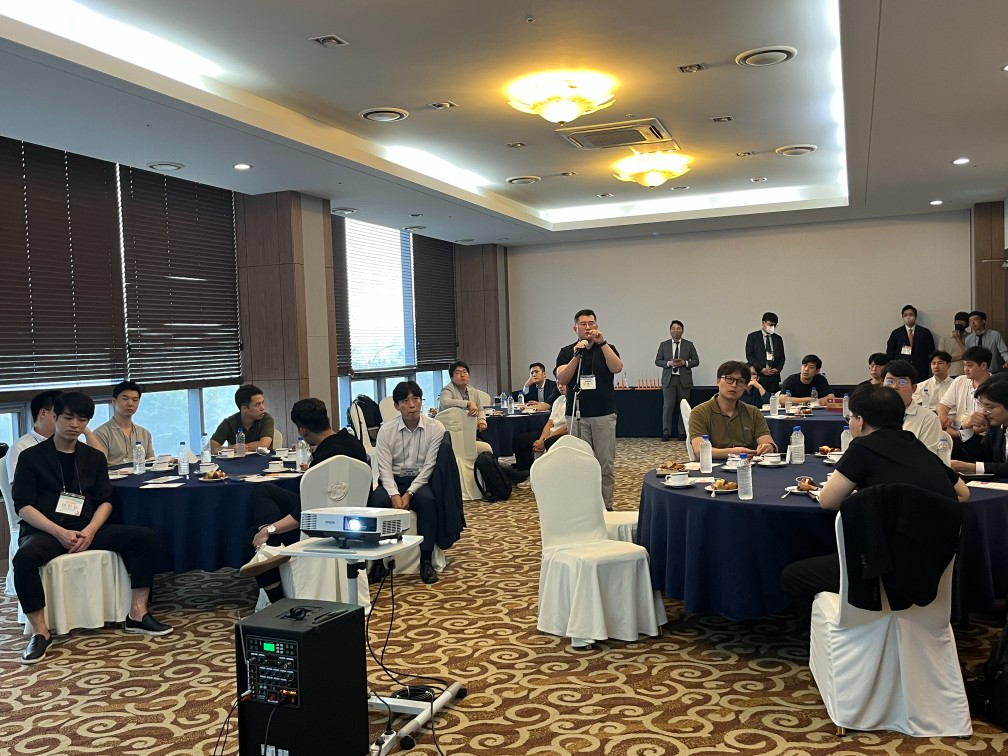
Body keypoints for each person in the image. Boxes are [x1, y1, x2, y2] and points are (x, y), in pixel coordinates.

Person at [11, 392, 172, 664]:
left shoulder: (93, 457)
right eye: (68, 417)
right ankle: (40, 632)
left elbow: (106, 500)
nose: (75, 424)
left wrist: (91, 530)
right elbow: (23, 506)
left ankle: (137, 613)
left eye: (82, 419)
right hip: (46, 530)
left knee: (144, 538)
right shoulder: (31, 457)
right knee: (24, 559)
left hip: (86, 528)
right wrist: (59, 532)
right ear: (55, 417)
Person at [780, 385, 968, 606]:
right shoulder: (916, 445)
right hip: (932, 563)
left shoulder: (863, 447)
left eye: (850, 417)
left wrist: (875, 500)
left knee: (793, 575)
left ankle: (845, 623)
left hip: (881, 567)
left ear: (860, 421)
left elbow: (827, 501)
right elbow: (963, 493)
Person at [239, 398, 368, 601]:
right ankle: (269, 543)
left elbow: (306, 512)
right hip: (353, 517)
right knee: (265, 490)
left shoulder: (324, 459)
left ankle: (277, 599)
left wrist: (270, 530)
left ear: (303, 430)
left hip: (323, 524)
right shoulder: (352, 442)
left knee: (253, 536)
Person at [369, 381, 446, 584]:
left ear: (421, 401)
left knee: (428, 502)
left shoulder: (435, 427)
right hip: (392, 480)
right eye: (405, 401)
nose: (412, 405)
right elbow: (384, 468)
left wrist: (410, 493)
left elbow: (429, 466)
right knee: (376, 502)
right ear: (396, 406)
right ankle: (379, 560)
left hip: (420, 481)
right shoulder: (386, 430)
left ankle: (426, 560)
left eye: (416, 399)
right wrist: (394, 494)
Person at [555, 309, 623, 510]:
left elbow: (617, 367)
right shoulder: (566, 351)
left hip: (603, 414)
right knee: (579, 463)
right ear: (575, 328)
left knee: (605, 463)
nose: (587, 327)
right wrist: (577, 355)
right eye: (583, 324)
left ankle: (605, 506)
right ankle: (582, 507)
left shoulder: (607, 347)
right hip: (576, 415)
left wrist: (603, 343)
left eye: (591, 323)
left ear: (597, 326)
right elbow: (562, 378)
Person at [688, 360, 776, 460]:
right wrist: (734, 453)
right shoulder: (699, 412)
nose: (734, 385)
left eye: (741, 381)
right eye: (729, 379)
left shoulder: (753, 412)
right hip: (714, 466)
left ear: (745, 386)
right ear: (718, 381)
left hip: (747, 465)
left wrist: (768, 447)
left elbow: (767, 442)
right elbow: (699, 451)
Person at [938, 346, 992, 460]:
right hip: (956, 431)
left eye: (969, 365)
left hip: (980, 436)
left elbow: (989, 424)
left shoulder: (995, 386)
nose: (966, 369)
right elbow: (943, 405)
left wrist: (959, 433)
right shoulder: (960, 380)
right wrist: (942, 416)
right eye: (964, 365)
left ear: (983, 365)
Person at [85, 380, 156, 464]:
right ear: (114, 401)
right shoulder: (101, 434)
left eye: (135, 400)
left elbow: (151, 462)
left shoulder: (145, 433)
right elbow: (100, 466)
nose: (130, 404)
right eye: (125, 399)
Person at [951, 375, 1008, 477]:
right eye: (982, 406)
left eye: (990, 407)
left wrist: (972, 468)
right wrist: (966, 429)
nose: (984, 412)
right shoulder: (996, 426)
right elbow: (983, 457)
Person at [882, 360, 943, 452]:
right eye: (890, 381)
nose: (894, 386)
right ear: (882, 386)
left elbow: (928, 456)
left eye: (902, 382)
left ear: (914, 388)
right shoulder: (872, 414)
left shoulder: (928, 418)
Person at [654, 320, 700, 441]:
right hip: (669, 380)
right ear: (670, 330)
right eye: (673, 328)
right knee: (668, 407)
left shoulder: (689, 345)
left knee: (683, 406)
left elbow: (696, 361)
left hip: (684, 379)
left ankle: (682, 432)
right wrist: (668, 363)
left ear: (682, 331)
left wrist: (685, 362)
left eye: (678, 328)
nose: (676, 330)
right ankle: (666, 432)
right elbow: (657, 361)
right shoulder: (664, 345)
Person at [511, 379, 568, 471]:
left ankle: (545, 472)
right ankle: (526, 472)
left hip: (564, 433)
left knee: (548, 442)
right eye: (558, 383)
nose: (560, 386)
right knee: (520, 439)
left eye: (563, 383)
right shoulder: (558, 400)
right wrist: (542, 439)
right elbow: (549, 423)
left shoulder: (575, 402)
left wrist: (545, 440)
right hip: (552, 431)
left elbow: (567, 427)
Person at [6, 390, 61, 483]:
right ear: (43, 413)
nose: (68, 420)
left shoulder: (68, 442)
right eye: (62, 414)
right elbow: (20, 487)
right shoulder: (20, 448)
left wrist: (85, 433)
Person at [210, 384, 275, 453]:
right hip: (237, 459)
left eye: (262, 403)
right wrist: (229, 449)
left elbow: (264, 444)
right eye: (257, 405)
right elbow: (212, 447)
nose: (262, 408)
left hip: (262, 459)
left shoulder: (266, 419)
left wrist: (240, 448)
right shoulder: (229, 423)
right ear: (244, 409)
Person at [885, 304, 936, 381]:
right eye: (905, 315)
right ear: (902, 317)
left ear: (915, 316)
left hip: (921, 371)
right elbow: (890, 353)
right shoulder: (896, 333)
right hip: (901, 371)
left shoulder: (925, 332)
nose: (908, 317)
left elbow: (931, 351)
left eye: (911, 314)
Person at [439, 360, 489, 433]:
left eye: (465, 372)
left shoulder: (473, 391)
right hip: (451, 430)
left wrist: (482, 420)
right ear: (451, 378)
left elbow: (480, 409)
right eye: (458, 373)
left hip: (469, 429)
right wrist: (468, 403)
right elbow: (445, 402)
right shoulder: (448, 389)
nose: (462, 375)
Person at [745, 312, 785, 393]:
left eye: (774, 325)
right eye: (770, 325)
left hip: (774, 378)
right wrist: (761, 369)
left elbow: (782, 357)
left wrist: (777, 369)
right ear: (763, 323)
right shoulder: (752, 337)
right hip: (759, 376)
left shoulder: (778, 339)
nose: (772, 327)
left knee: (772, 398)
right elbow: (750, 356)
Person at [938, 311, 970, 377]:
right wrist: (962, 357)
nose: (959, 325)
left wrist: (957, 339)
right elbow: (941, 358)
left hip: (966, 372)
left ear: (967, 324)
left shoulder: (970, 337)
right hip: (949, 373)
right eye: (958, 322)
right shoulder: (945, 338)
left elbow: (970, 355)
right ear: (954, 322)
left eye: (962, 323)